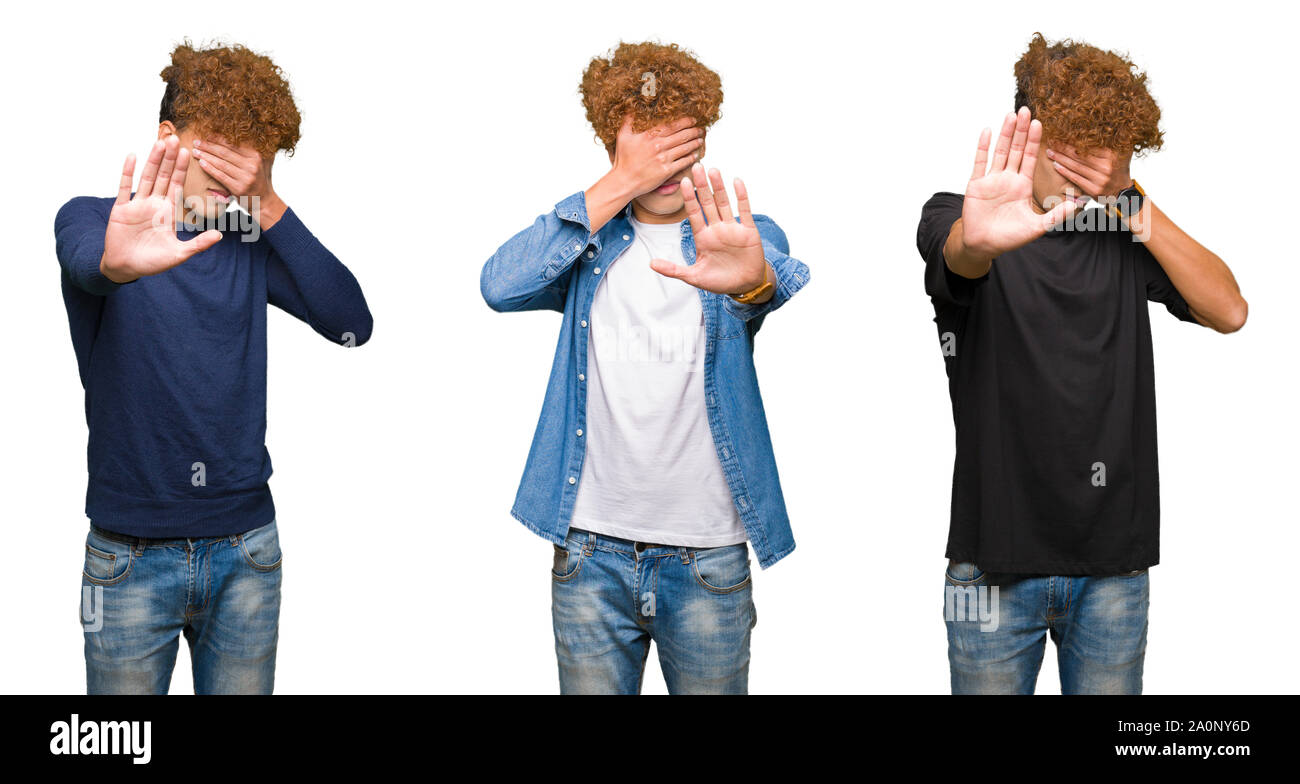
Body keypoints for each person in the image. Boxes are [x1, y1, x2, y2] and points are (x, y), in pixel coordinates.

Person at [917, 33, 1247, 694]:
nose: (1089, 167)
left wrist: (1134, 204)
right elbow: (960, 254)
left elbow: (1230, 311)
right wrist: (978, 239)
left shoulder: (1125, 233)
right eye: (1074, 143)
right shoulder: (960, 216)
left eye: (1107, 147)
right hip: (986, 571)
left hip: (1114, 570)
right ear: (1029, 135)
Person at [481, 41, 809, 694]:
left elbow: (766, 277)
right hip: (589, 557)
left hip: (708, 559)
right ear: (613, 147)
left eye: (679, 145)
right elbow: (499, 285)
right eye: (645, 149)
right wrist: (616, 187)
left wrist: (752, 282)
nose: (665, 165)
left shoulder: (738, 232)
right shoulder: (585, 244)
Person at [56, 42, 373, 694]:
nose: (235, 177)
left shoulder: (247, 240)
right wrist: (122, 259)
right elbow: (95, 260)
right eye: (221, 151)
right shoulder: (94, 220)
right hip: (129, 560)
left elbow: (352, 325)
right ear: (169, 138)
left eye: (251, 160)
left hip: (246, 553)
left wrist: (271, 206)